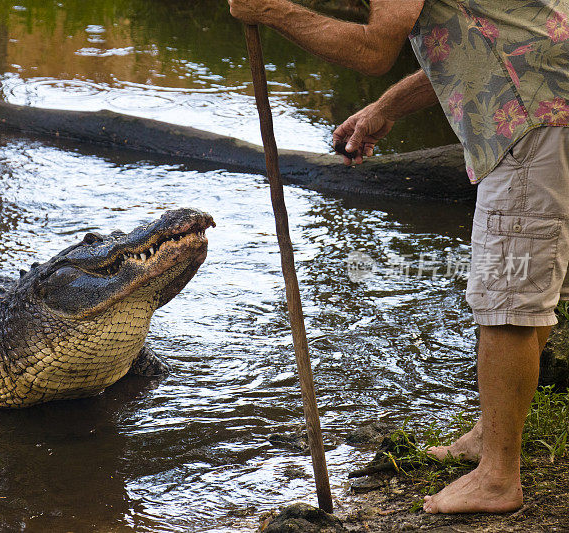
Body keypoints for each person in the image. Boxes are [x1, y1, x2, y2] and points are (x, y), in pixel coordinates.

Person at [228, 0, 569, 515]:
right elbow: (480, 44)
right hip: (551, 96)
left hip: (533, 115)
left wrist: (271, 11)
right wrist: (384, 109)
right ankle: (492, 433)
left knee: (509, 296)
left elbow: (372, 49)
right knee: (534, 275)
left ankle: (499, 476)